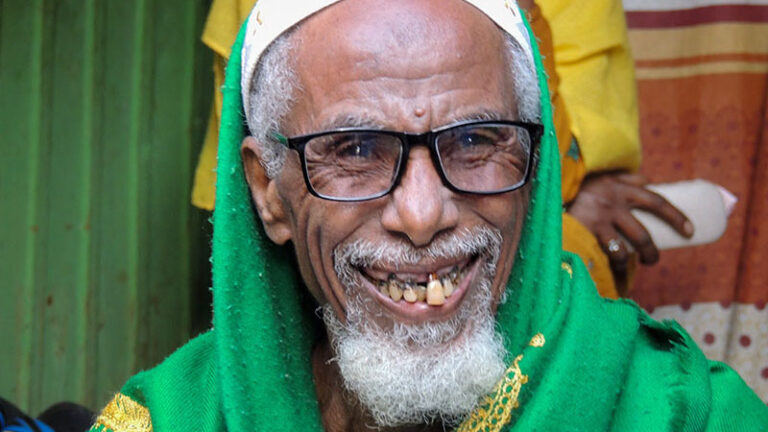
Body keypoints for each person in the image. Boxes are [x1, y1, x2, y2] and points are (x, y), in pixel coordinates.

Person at [90, 1, 768, 431]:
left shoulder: (680, 414)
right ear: (269, 191)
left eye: (476, 141)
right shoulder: (170, 419)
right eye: (355, 150)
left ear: (536, 170)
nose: (421, 215)